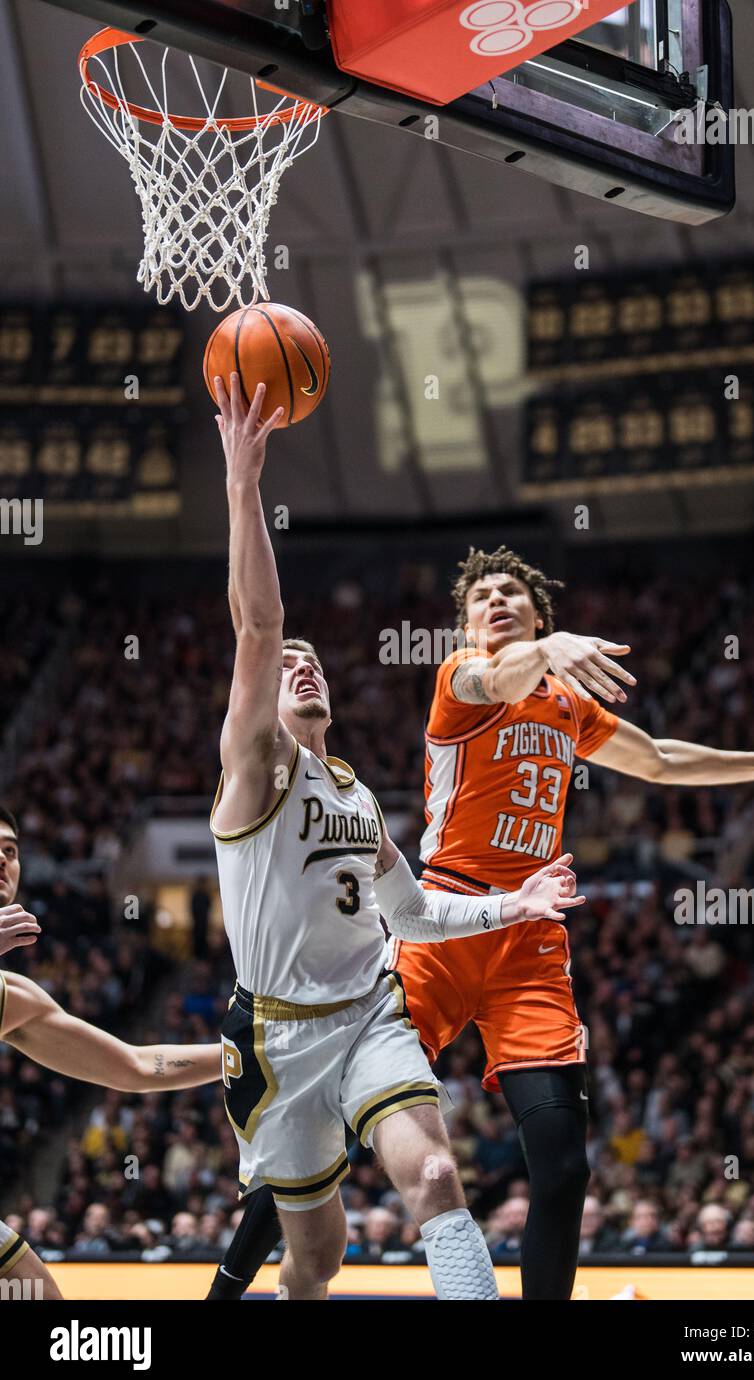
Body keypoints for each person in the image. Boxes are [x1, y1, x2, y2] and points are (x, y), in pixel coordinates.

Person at [212, 544, 754, 1301]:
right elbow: (502, 674)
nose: (496, 601)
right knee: (325, 1138)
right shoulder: (461, 680)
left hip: (531, 941)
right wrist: (545, 651)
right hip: (440, 922)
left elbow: (662, 760)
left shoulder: (568, 706)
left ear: (541, 613)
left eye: (513, 593)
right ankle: (229, 1285)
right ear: (468, 625)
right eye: (482, 598)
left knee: (564, 1164)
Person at [207, 376, 582, 1301]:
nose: (301, 667)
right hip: (278, 1038)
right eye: (287, 667)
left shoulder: (359, 799)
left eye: (314, 664)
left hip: (370, 1014)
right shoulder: (254, 767)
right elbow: (260, 623)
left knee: (438, 1177)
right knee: (315, 1263)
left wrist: (518, 902)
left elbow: (413, 916)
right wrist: (243, 485)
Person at [0, 804, 223, 1299]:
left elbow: (134, 1066)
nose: (3, 860)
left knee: (41, 1298)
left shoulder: (13, 998)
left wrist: (242, 1055)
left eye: (10, 851)